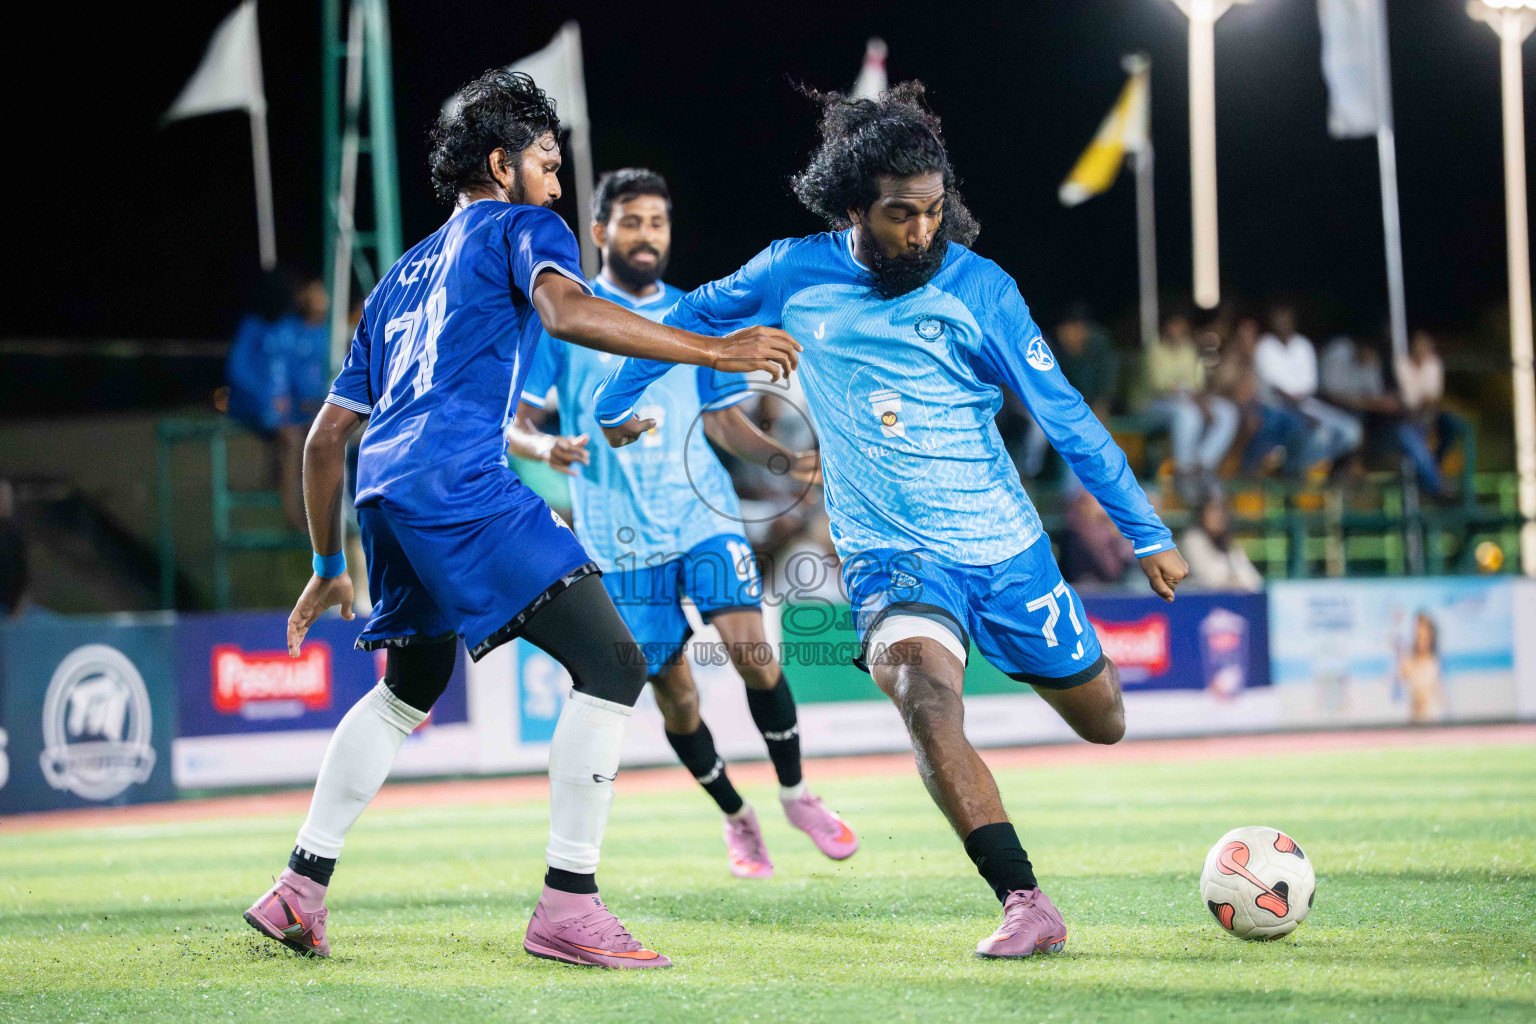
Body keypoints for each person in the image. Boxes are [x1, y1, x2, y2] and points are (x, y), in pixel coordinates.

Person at [592, 82, 1188, 959]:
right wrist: (614, 403)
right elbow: (684, 319)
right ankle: (1024, 900)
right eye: (901, 214)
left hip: (1006, 549)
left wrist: (1147, 531)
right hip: (891, 556)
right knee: (923, 697)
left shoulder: (980, 288)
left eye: (934, 210)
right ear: (853, 208)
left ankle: (1041, 679)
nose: (922, 231)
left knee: (1104, 720)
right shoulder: (792, 273)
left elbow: (1063, 414)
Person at [242, 71, 798, 968]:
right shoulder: (523, 227)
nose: (556, 181)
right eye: (546, 160)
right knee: (614, 663)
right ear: (502, 166)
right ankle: (569, 906)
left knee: (405, 692)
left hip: (382, 495)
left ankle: (298, 888)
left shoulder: (397, 278)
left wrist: (327, 563)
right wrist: (714, 349)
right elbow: (567, 312)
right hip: (462, 484)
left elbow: (325, 438)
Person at [506, 168, 857, 879]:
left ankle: (796, 795)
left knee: (755, 654)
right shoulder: (566, 317)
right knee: (678, 697)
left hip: (701, 515)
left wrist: (789, 462)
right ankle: (737, 815)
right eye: (632, 222)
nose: (647, 236)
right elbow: (513, 423)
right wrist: (547, 448)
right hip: (619, 538)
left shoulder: (695, 313)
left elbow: (723, 421)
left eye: (658, 223)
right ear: (600, 232)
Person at [1138, 312, 1238, 500]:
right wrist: (1195, 401)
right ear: (1166, 326)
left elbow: (1197, 386)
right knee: (1188, 413)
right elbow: (1162, 389)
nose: (1178, 330)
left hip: (1188, 401)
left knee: (1227, 411)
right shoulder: (1154, 349)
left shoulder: (1188, 349)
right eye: (1174, 325)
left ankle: (1203, 467)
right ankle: (1184, 471)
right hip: (1152, 405)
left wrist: (1202, 401)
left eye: (1181, 325)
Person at [1255, 306, 1362, 476]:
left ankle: (1304, 468)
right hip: (1276, 406)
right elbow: (1275, 388)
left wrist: (1305, 408)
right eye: (1278, 318)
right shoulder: (1265, 345)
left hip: (1306, 404)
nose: (1282, 323)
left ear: (1293, 320)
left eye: (1285, 318)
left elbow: (1309, 385)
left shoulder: (1303, 344)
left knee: (1352, 431)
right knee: (1320, 432)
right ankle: (1295, 473)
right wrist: (1303, 412)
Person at [1019, 305, 1117, 478]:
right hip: (1061, 409)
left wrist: (1098, 412)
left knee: (1093, 435)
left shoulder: (1099, 345)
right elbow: (1049, 390)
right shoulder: (1052, 350)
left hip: (1093, 409)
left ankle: (1092, 485)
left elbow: (1106, 387)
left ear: (1081, 328)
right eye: (1062, 330)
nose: (1065, 334)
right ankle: (1030, 474)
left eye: (1070, 329)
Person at [1394, 331, 1466, 498]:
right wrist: (1419, 402)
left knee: (1452, 424)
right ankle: (1437, 487)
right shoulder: (1400, 364)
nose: (1422, 350)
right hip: (1403, 421)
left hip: (1427, 418)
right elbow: (1409, 400)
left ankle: (1434, 474)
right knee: (1415, 444)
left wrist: (1423, 403)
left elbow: (1432, 397)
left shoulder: (1433, 364)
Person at [1179, 492, 1263, 592]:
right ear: (1202, 513)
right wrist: (1234, 578)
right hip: (1199, 599)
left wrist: (1234, 579)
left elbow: (1254, 580)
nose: (1218, 516)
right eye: (1213, 510)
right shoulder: (1192, 540)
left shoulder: (1230, 544)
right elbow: (1211, 579)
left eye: (1222, 511)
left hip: (1229, 599)